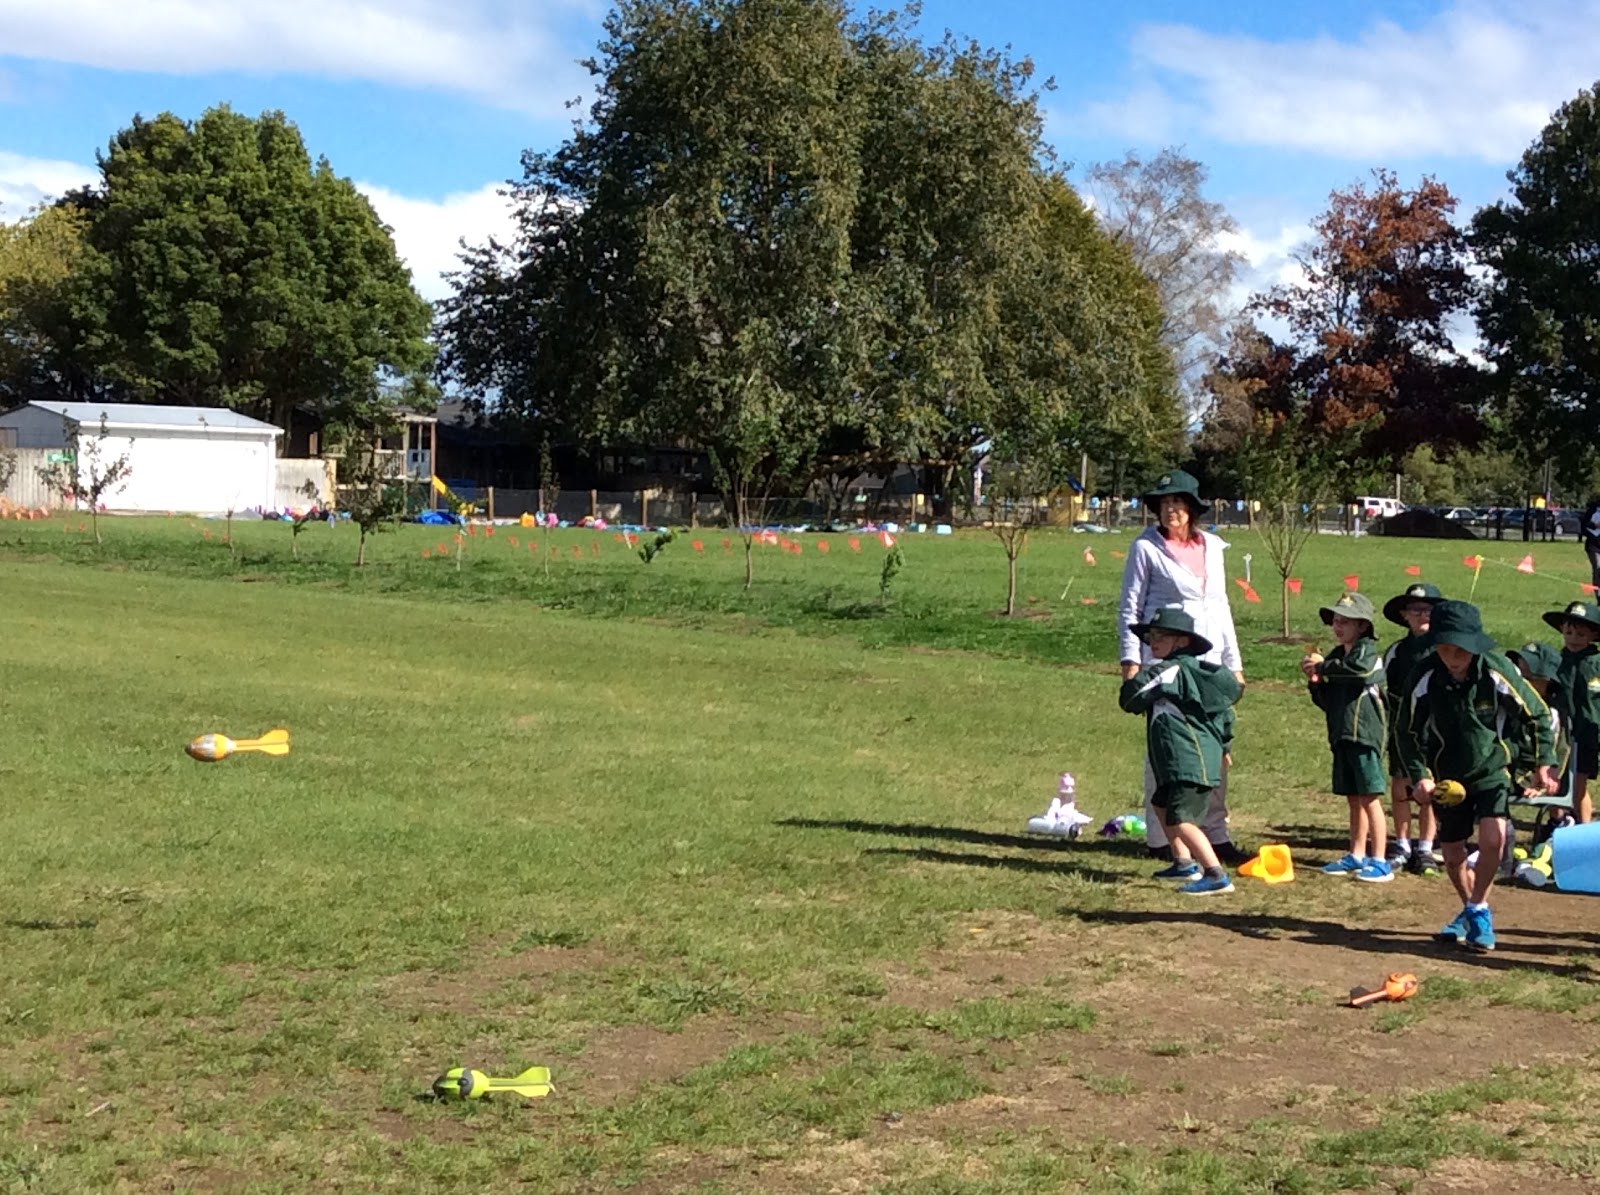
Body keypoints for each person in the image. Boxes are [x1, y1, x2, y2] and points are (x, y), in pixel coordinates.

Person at [1394, 600, 1558, 952]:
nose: (1453, 658)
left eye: (1461, 650)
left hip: (1493, 768)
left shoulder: (1496, 670)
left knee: (1494, 838)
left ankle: (1479, 906)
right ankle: (1471, 908)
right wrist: (1419, 775)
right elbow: (1405, 732)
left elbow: (1537, 714)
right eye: (1445, 649)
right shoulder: (1424, 675)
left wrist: (1543, 762)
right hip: (1446, 778)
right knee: (1452, 852)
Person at [1118, 469, 1247, 864]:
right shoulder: (1146, 547)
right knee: (1167, 746)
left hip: (1208, 661)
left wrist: (1234, 662)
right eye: (1164, 503)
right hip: (1165, 661)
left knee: (1213, 747)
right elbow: (1130, 607)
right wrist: (1131, 662)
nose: (1170, 509)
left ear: (1192, 507)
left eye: (1177, 502)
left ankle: (1215, 833)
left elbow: (1221, 606)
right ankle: (1163, 839)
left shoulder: (1213, 546)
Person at [1118, 605, 1242, 895]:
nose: (1153, 641)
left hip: (1188, 759)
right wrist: (1224, 746)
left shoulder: (1170, 670)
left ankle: (1215, 874)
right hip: (1189, 759)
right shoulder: (1199, 673)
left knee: (1182, 818)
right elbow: (1225, 715)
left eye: (1162, 635)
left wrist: (1134, 672)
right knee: (1161, 803)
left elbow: (1131, 699)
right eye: (1151, 636)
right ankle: (1183, 862)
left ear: (1183, 641)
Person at [1302, 592, 1393, 883]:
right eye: (1336, 621)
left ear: (1363, 626)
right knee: (1353, 798)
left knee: (1369, 797)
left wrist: (1322, 668)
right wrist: (1315, 682)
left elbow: (1360, 673)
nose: (1338, 627)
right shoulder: (1336, 656)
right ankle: (1356, 853)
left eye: (1345, 621)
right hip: (1342, 734)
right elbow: (1330, 700)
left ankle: (1380, 859)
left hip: (1364, 735)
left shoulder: (1367, 653)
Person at [1379, 583, 1445, 875]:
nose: (1422, 615)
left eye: (1428, 610)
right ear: (1404, 615)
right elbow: (1386, 689)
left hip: (1435, 730)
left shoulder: (1443, 648)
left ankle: (1426, 846)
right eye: (1415, 610)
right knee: (1400, 784)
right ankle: (1403, 843)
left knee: (1429, 786)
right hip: (1403, 728)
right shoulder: (1397, 651)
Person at [1544, 599, 1600, 825]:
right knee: (1554, 780)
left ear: (1593, 635)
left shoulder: (1596, 663)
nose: (1573, 639)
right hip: (1561, 735)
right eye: (1568, 632)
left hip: (1588, 734)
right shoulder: (1556, 661)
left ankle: (1584, 829)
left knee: (1579, 784)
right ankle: (1556, 822)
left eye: (1580, 634)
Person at [1581, 497, 1600, 593]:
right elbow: (1584, 526)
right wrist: (1595, 526)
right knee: (1598, 568)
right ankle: (1598, 595)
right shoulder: (1593, 509)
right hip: (1593, 546)